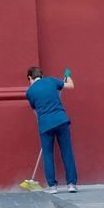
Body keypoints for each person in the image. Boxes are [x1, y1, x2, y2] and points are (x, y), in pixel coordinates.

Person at [26, 66, 78, 194]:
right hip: (61, 120)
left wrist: (41, 118)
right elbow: (70, 85)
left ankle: (52, 186)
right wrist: (67, 76)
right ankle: (71, 185)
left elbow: (35, 111)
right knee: (67, 152)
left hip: (45, 124)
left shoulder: (30, 92)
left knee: (48, 155)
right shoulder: (51, 81)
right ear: (41, 75)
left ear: (30, 78)